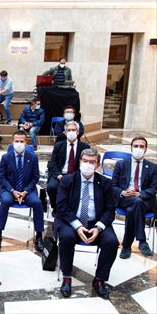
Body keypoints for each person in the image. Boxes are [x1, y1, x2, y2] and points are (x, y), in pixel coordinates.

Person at [56, 148, 118, 299]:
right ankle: (67, 277)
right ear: (80, 162)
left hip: (96, 222)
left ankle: (99, 280)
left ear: (97, 165)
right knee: (67, 237)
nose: (88, 164)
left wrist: (98, 227)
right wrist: (78, 226)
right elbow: (61, 206)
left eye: (92, 162)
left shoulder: (105, 183)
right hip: (70, 221)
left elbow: (110, 210)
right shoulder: (68, 180)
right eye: (85, 161)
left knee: (112, 242)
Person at [0, 131, 43, 250]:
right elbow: (2, 177)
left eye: (22, 141)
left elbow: (35, 177)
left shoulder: (32, 158)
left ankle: (39, 236)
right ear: (12, 142)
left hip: (27, 190)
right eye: (17, 141)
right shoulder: (6, 157)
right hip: (8, 188)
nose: (19, 143)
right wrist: (12, 191)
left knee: (37, 203)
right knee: (5, 201)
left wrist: (25, 192)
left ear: (26, 142)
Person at [112, 137, 157, 258]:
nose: (138, 149)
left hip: (144, 200)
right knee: (135, 204)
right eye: (136, 146)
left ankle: (126, 246)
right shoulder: (121, 164)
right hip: (125, 198)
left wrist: (140, 194)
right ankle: (141, 241)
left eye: (141, 146)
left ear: (146, 149)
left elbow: (154, 188)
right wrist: (123, 192)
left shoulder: (153, 167)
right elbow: (113, 186)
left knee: (134, 207)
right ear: (131, 147)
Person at [47, 122, 90, 215]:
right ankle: (56, 208)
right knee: (51, 187)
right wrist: (58, 175)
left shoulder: (85, 147)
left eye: (73, 130)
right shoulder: (58, 145)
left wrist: (75, 176)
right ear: (64, 132)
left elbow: (85, 165)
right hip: (60, 174)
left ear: (78, 132)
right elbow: (53, 163)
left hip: (75, 175)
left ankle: (73, 208)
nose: (71, 132)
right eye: (68, 130)